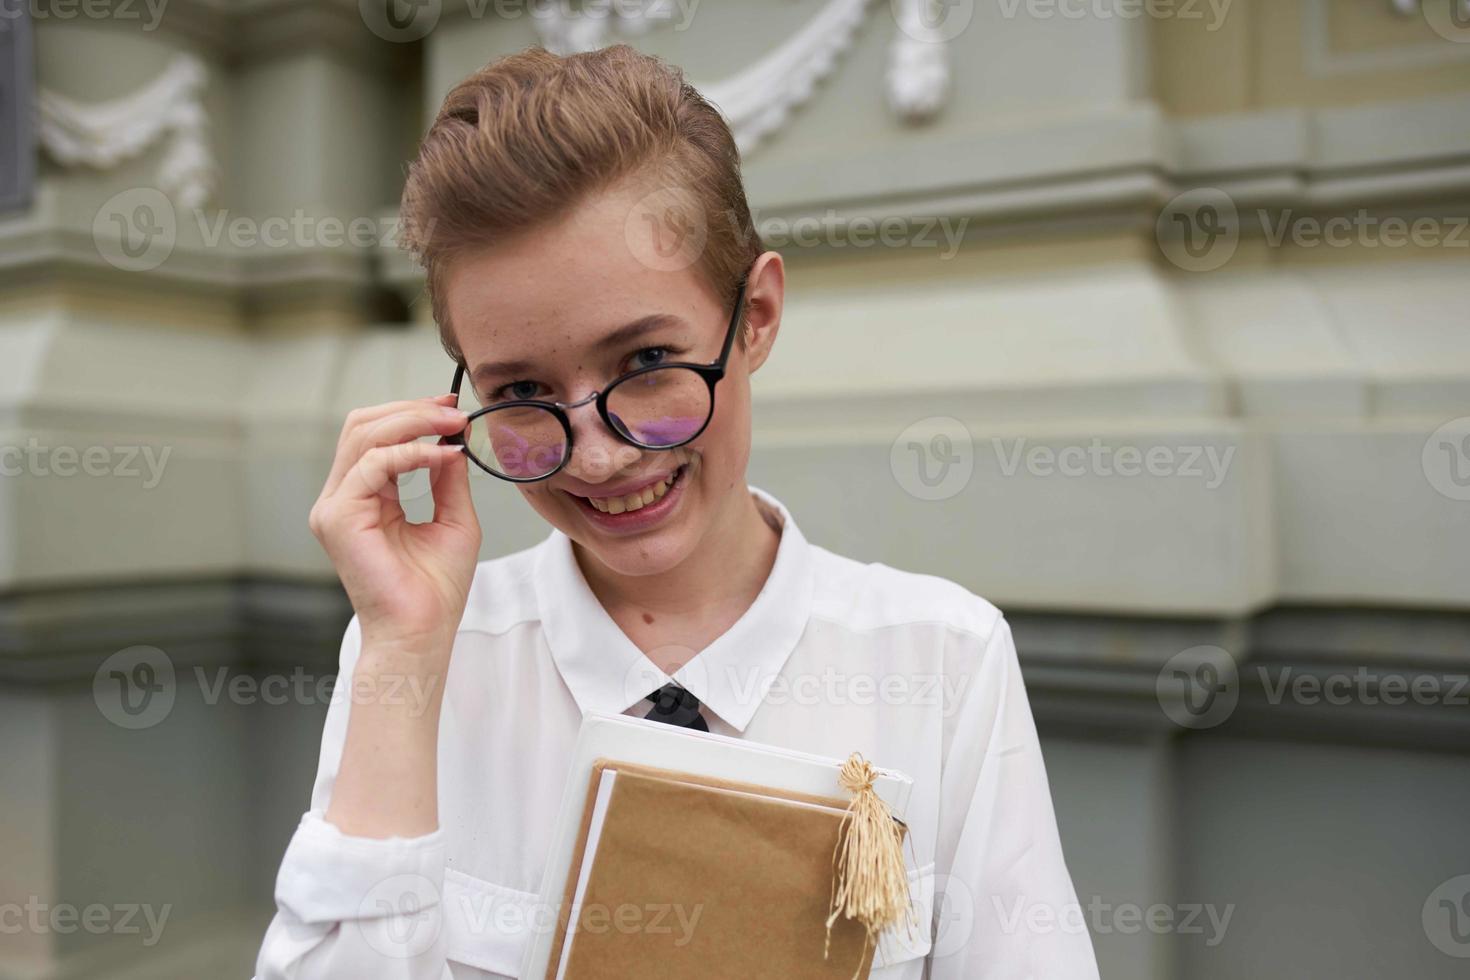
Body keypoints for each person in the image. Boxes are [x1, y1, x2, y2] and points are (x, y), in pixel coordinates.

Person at [255, 44, 1099, 980]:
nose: (601, 453)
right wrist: (403, 658)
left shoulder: (943, 659)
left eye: (648, 364)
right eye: (525, 388)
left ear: (758, 316)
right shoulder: (426, 658)